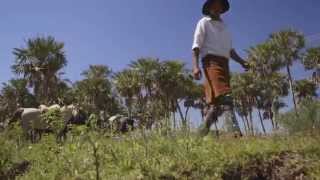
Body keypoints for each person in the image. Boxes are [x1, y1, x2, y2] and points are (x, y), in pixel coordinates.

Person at [192, 0, 249, 136]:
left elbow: (229, 50)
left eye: (219, 6)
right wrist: (195, 67)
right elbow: (196, 46)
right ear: (209, 8)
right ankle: (235, 134)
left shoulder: (225, 27)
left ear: (222, 9)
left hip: (224, 63)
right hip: (211, 62)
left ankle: (199, 136)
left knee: (215, 106)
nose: (217, 8)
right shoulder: (204, 22)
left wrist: (242, 62)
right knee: (226, 96)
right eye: (214, 5)